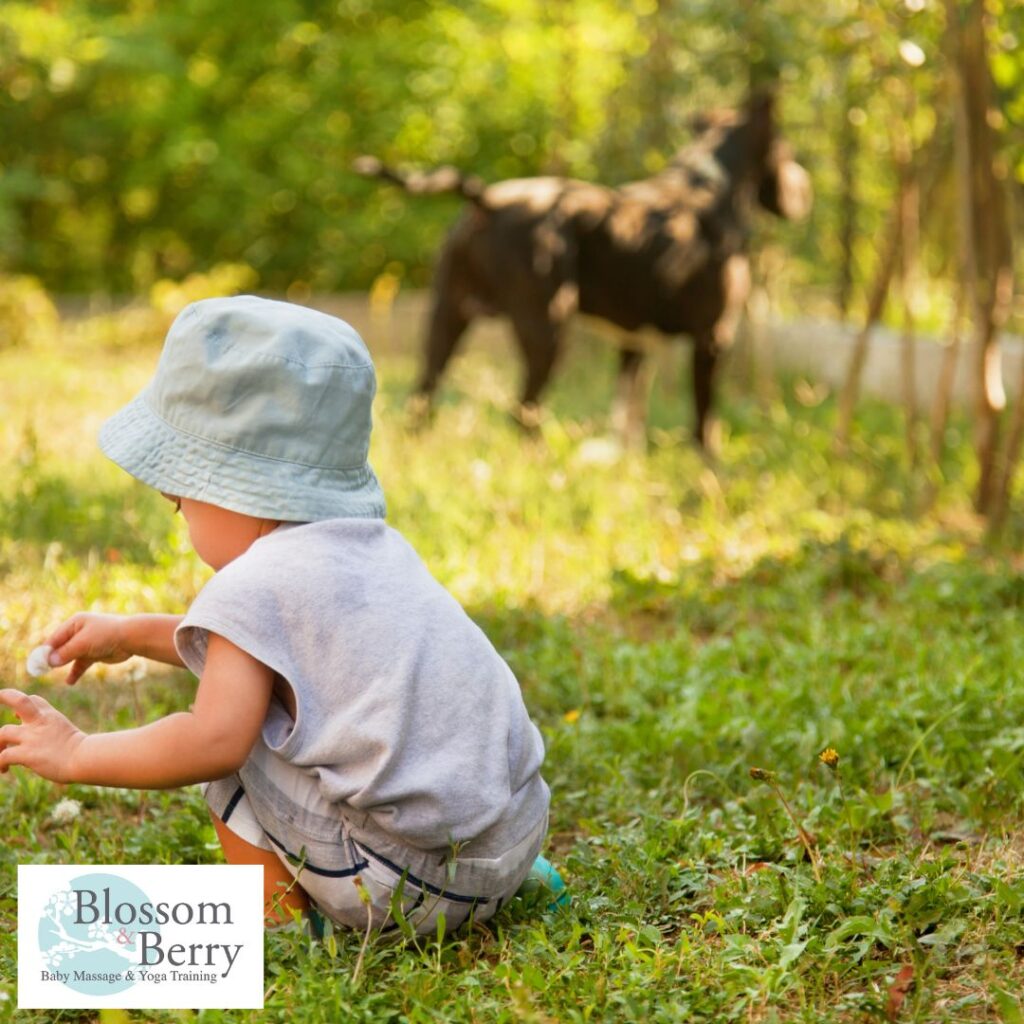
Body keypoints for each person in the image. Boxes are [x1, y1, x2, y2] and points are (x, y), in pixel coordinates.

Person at [0, 295, 552, 936]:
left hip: (402, 886)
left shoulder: (254, 582)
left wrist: (77, 752)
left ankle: (282, 927)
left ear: (229, 488)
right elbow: (267, 651)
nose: (181, 518)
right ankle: (507, 890)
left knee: (232, 743)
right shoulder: (376, 550)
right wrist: (128, 635)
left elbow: (213, 742)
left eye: (180, 503)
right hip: (509, 846)